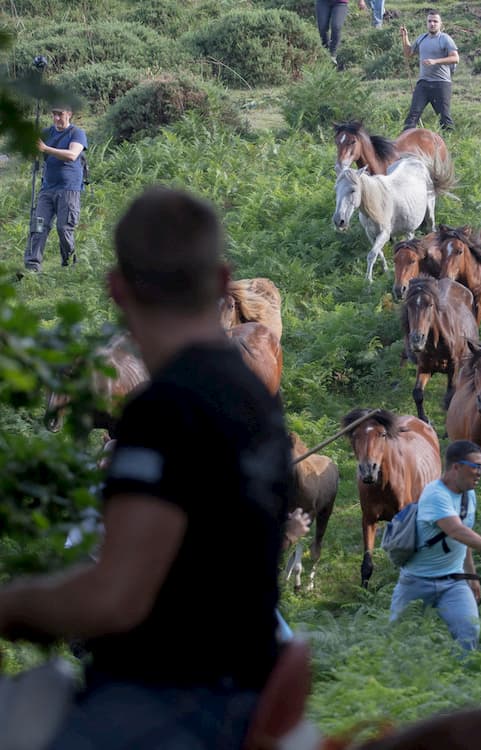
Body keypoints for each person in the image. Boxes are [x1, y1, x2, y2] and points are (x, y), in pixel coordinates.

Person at [0, 186, 294, 748]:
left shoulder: (165, 409)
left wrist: (13, 603)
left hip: (165, 704)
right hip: (249, 689)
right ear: (220, 280)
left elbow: (117, 597)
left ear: (117, 289)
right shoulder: (257, 398)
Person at [389, 440, 481, 650]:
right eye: (476, 467)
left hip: (453, 582)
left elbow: (464, 537)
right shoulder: (434, 494)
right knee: (397, 639)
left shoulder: (468, 495)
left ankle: (462, 677)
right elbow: (455, 530)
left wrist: (470, 576)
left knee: (469, 631)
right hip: (416, 581)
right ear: (456, 467)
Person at [25, 105, 86, 271]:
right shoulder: (47, 133)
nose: (57, 118)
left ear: (69, 114)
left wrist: (45, 149)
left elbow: (73, 155)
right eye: (54, 115)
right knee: (38, 225)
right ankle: (32, 266)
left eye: (60, 115)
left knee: (64, 228)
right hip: (47, 188)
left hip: (69, 188)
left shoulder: (77, 133)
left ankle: (69, 263)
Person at [400, 10, 460, 132]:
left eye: (435, 21)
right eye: (430, 21)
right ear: (426, 23)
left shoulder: (445, 39)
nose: (432, 24)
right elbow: (408, 53)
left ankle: (452, 144)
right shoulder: (422, 38)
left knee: (444, 118)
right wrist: (405, 37)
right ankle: (404, 144)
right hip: (423, 83)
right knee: (412, 116)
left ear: (440, 24)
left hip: (441, 84)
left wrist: (435, 61)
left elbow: (455, 58)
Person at [315, 0, 368, 64]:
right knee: (322, 27)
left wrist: (361, 1)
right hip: (323, 2)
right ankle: (325, 51)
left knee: (336, 26)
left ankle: (332, 54)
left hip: (340, 3)